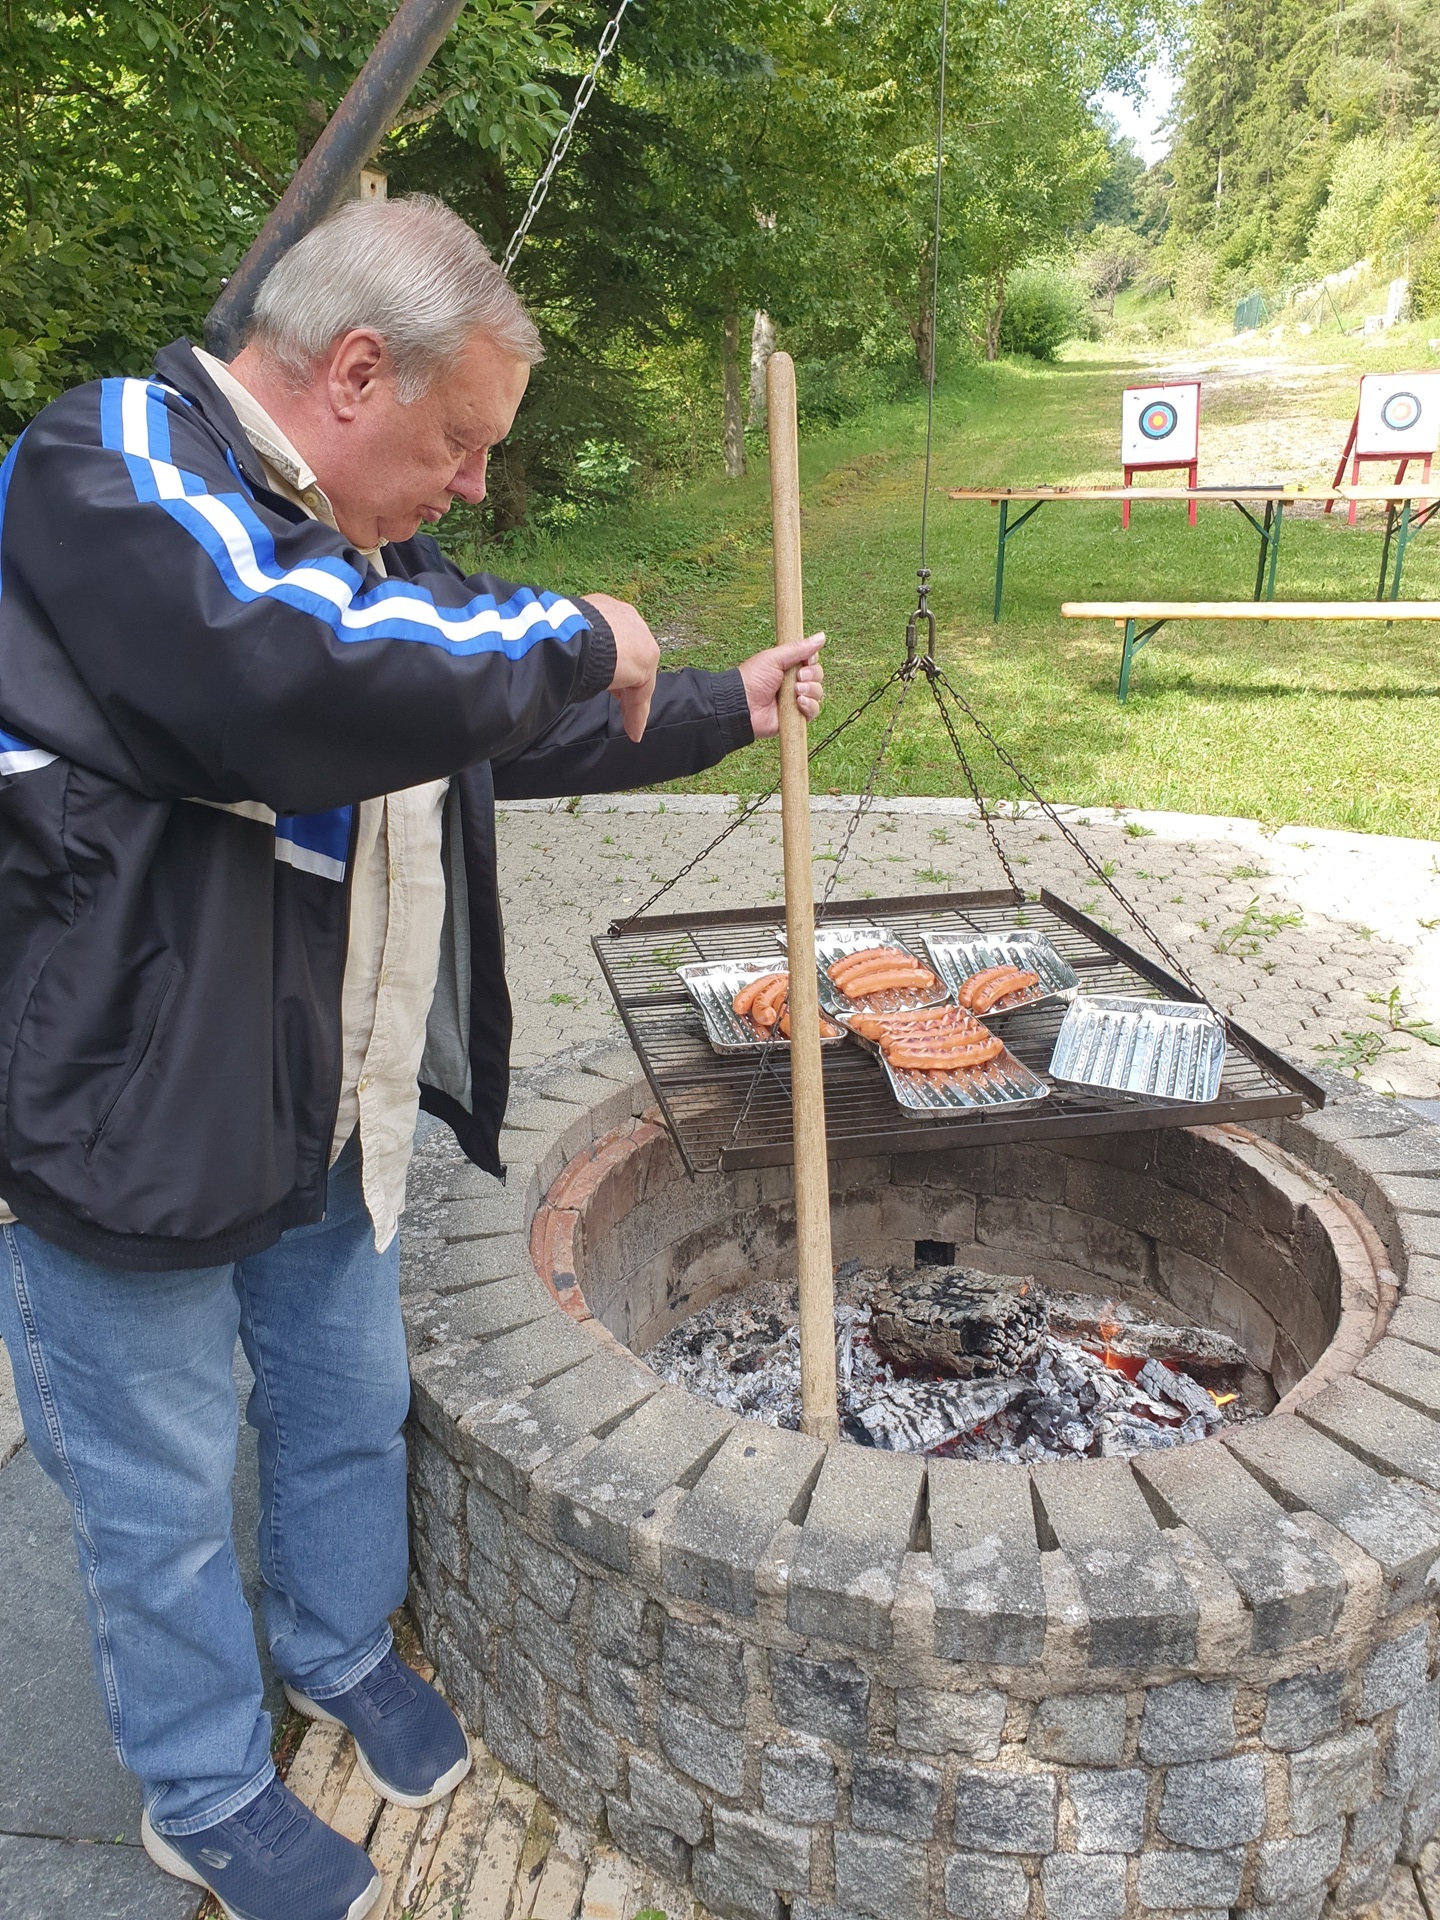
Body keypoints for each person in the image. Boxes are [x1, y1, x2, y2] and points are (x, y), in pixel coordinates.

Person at [0, 193, 822, 1920]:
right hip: (125, 1116)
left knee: (344, 1404)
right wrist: (574, 627)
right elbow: (287, 676)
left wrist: (716, 702)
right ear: (355, 372)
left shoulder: (358, 554)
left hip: (323, 1095)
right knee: (154, 1494)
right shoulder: (114, 463)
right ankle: (202, 1786)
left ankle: (334, 1649)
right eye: (462, 444)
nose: (473, 486)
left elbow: (471, 716)